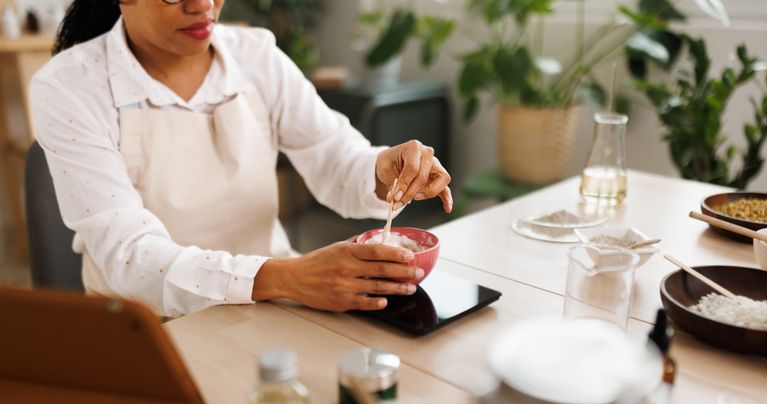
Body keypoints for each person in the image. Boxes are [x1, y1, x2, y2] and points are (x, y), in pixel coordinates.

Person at [30, 0, 452, 318]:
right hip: (152, 328)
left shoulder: (256, 56)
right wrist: (290, 276)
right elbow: (130, 258)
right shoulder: (70, 86)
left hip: (276, 308)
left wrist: (384, 170)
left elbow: (337, 158)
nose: (202, 6)